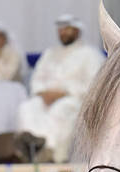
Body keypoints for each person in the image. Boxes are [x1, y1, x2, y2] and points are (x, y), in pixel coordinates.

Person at [16, 14, 104, 162]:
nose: (62, 33)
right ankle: (29, 147)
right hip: (45, 98)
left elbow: (94, 85)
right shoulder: (49, 53)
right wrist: (42, 92)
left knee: (61, 109)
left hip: (74, 99)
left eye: (67, 29)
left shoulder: (90, 54)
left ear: (77, 31)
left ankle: (49, 151)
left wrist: (64, 93)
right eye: (60, 30)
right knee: (27, 107)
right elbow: (37, 78)